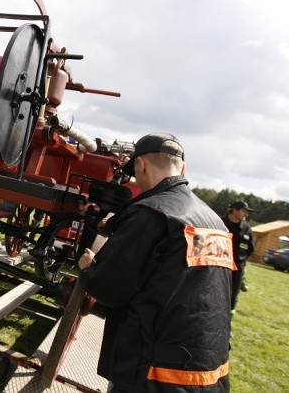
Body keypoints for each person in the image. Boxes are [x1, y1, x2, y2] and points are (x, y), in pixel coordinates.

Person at [77, 133, 235, 392]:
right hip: (208, 371)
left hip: (157, 373)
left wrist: (89, 268)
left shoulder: (152, 213)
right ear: (182, 168)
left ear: (141, 165)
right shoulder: (214, 220)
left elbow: (108, 288)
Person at [222, 200, 255, 311]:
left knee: (233, 296)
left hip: (237, 268)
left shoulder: (246, 228)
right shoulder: (219, 223)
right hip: (218, 265)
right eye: (244, 211)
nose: (247, 214)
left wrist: (243, 263)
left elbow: (250, 249)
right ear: (234, 210)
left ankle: (228, 322)